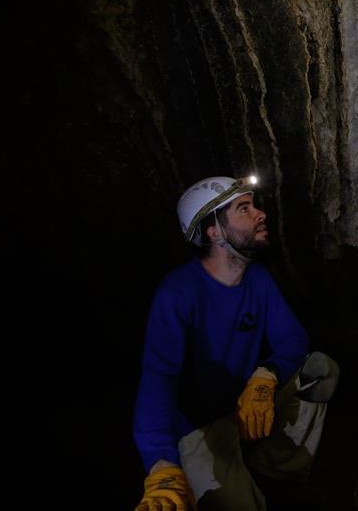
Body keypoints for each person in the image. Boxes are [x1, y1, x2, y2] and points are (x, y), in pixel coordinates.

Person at [133, 175, 339, 511]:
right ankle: (221, 470)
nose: (260, 214)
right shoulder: (178, 293)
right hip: (197, 428)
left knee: (321, 369)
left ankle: (277, 471)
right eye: (244, 209)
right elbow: (157, 382)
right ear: (213, 232)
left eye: (254, 206)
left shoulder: (257, 278)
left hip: (242, 409)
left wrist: (266, 376)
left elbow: (292, 338)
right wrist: (161, 466)